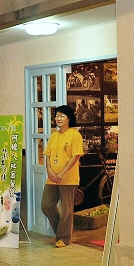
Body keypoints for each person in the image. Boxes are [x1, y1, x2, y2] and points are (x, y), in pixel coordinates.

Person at [41, 105, 83, 248]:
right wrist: (49, 171)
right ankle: (63, 230)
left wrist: (62, 173)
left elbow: (75, 156)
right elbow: (47, 155)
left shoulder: (75, 135)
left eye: (62, 116)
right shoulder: (54, 135)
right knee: (46, 205)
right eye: (57, 116)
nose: (58, 118)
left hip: (69, 178)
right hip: (52, 178)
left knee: (66, 208)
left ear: (69, 118)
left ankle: (63, 238)